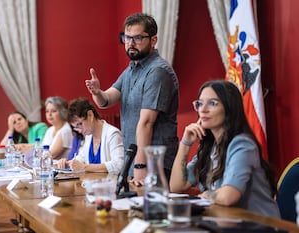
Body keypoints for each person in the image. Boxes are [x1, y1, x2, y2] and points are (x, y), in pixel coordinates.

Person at [85, 13, 179, 185]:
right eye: (127, 38)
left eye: (137, 38)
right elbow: (106, 100)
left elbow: (146, 123)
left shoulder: (158, 71)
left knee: (150, 211)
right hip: (134, 159)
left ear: (153, 40)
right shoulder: (131, 69)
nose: (130, 43)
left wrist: (141, 165)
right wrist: (97, 92)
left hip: (154, 163)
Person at [170, 80, 279, 218]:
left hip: (260, 225)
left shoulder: (243, 145)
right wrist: (185, 143)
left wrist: (206, 194)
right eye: (200, 103)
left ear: (229, 109)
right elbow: (177, 186)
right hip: (227, 221)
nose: (203, 109)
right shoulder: (210, 148)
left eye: (212, 103)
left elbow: (229, 196)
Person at [57, 97, 124, 174]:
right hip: (92, 184)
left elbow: (119, 165)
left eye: (80, 124)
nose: (79, 130)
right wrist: (68, 164)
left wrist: (84, 167)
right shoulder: (89, 136)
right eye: (76, 127)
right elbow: (81, 158)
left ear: (90, 115)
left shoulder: (112, 134)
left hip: (110, 184)